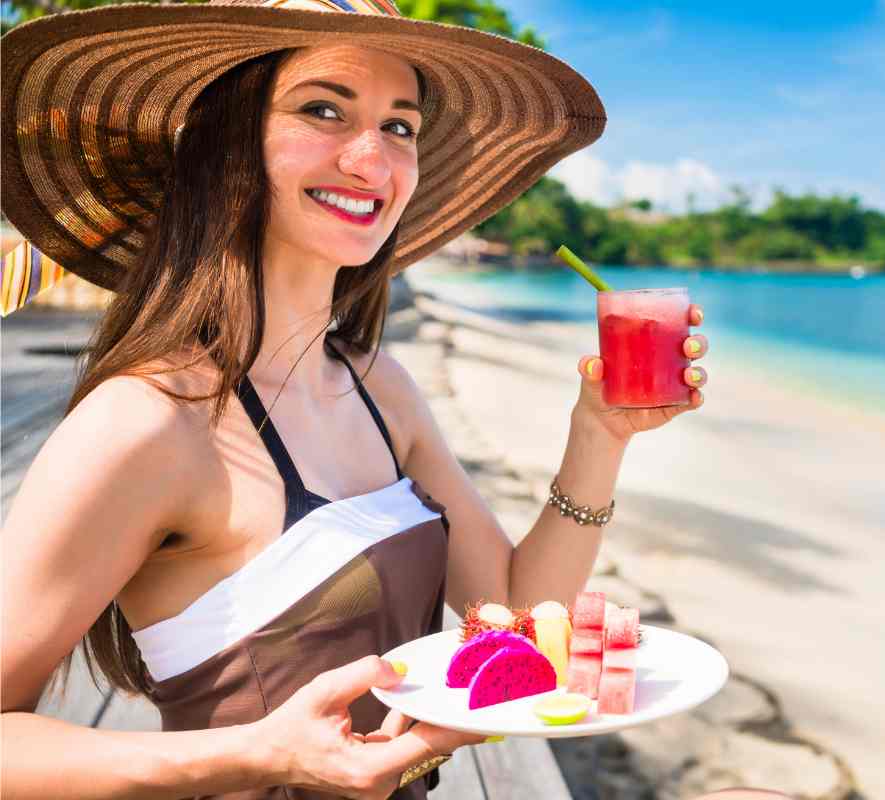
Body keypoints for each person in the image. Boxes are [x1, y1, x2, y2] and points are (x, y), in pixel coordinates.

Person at [0, 1, 715, 798]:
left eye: (400, 127)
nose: (372, 159)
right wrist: (258, 754)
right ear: (226, 142)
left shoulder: (382, 387)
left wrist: (600, 437)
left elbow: (514, 614)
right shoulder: (149, 420)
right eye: (323, 109)